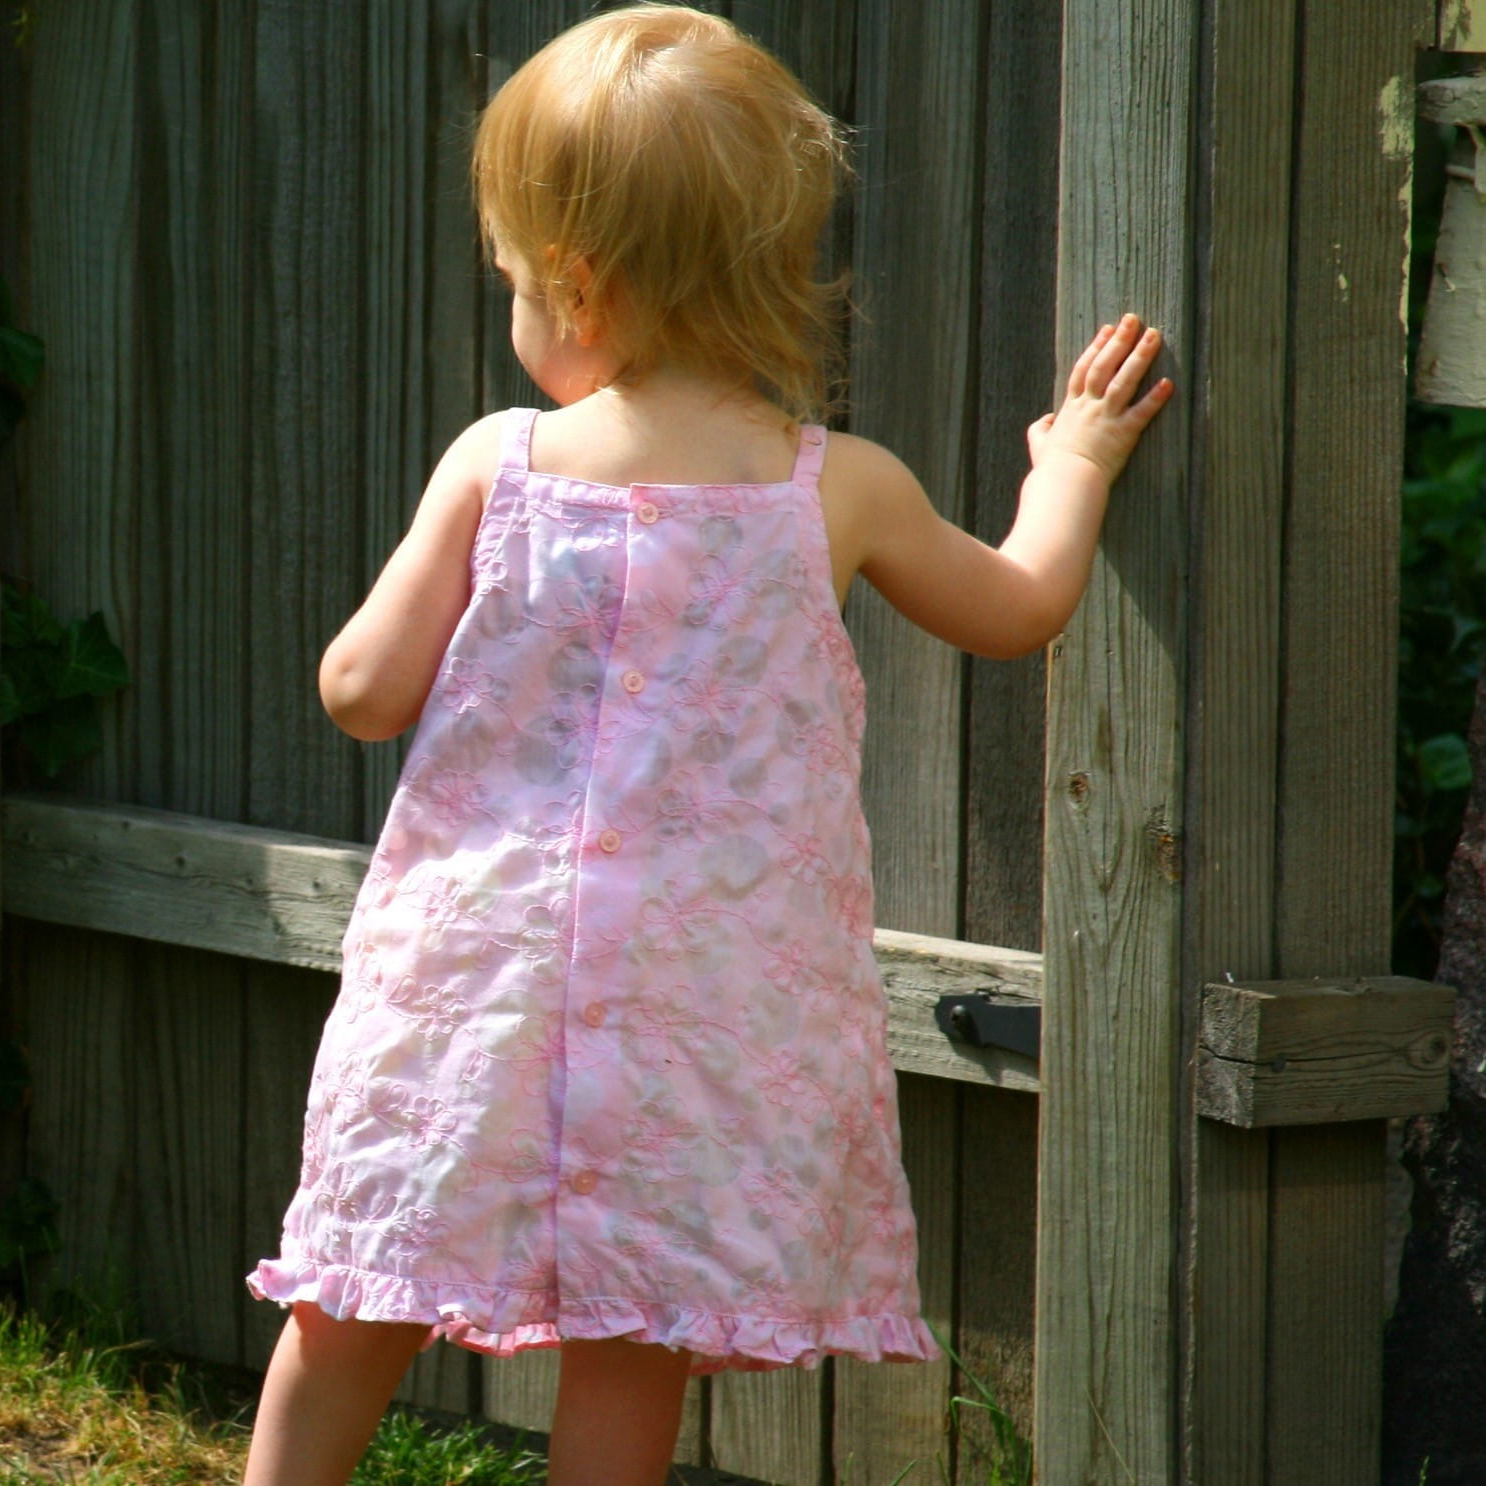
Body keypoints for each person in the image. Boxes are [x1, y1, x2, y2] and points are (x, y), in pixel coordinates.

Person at [240, 6, 1173, 1484]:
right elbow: (1019, 602)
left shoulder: (498, 464)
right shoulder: (834, 488)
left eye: (512, 284)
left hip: (476, 990)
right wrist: (1075, 462)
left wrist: (370, 650)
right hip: (696, 1019)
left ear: (580, 285)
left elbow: (362, 688)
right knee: (634, 1329)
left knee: (363, 1282)